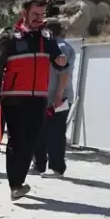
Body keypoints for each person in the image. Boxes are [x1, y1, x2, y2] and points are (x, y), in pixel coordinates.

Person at [0, 0, 68, 200]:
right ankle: (15, 184)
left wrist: (60, 62)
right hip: (14, 97)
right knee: (17, 140)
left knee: (30, 141)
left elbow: (57, 62)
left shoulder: (46, 36)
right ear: (24, 12)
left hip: (38, 98)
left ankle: (19, 182)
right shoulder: (9, 37)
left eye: (42, 15)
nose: (39, 18)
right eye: (35, 14)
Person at [33, 20, 75, 178]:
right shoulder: (47, 47)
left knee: (55, 132)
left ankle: (56, 168)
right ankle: (39, 165)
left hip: (59, 98)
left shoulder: (61, 47)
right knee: (40, 131)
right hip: (45, 97)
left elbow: (64, 74)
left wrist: (58, 96)